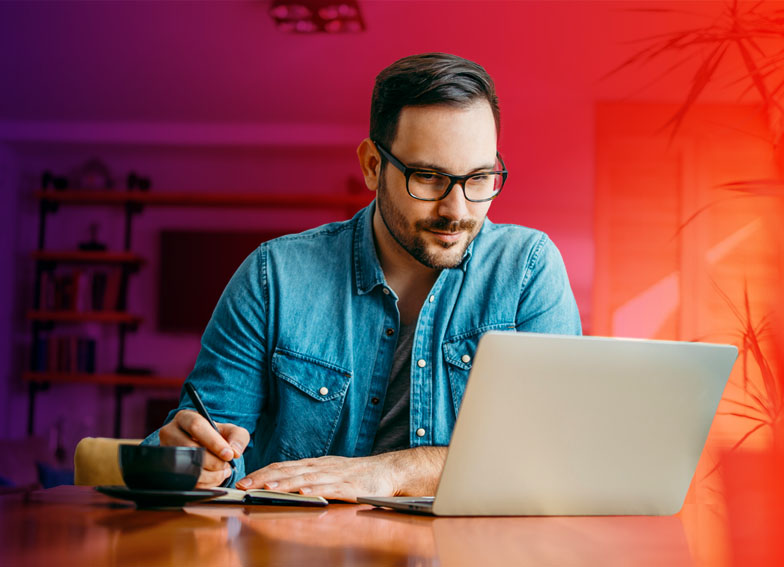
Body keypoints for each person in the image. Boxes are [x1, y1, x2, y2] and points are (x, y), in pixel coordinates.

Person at [144, 52, 581, 501]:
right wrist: (189, 459)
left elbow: (558, 455)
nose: (457, 210)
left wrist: (391, 472)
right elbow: (198, 449)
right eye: (428, 177)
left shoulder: (528, 270)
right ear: (373, 166)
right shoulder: (272, 276)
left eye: (479, 178)